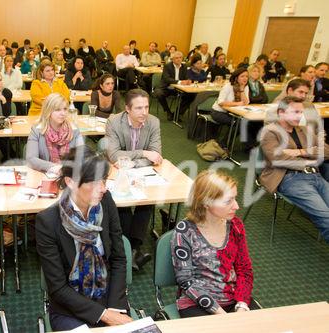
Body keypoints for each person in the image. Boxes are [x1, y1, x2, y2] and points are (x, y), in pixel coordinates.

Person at [35, 146, 132, 331]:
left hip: (109, 298)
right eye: (95, 183)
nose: (103, 188)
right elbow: (58, 288)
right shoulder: (48, 222)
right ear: (70, 181)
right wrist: (103, 315)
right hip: (70, 308)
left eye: (104, 180)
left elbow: (119, 258)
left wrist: (114, 307)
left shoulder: (106, 201)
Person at [171, 170, 256, 317]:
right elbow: (186, 281)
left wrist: (242, 305)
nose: (236, 206)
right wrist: (221, 314)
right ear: (206, 202)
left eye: (235, 199)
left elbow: (244, 270)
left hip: (234, 299)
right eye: (228, 201)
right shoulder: (185, 231)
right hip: (197, 302)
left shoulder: (236, 225)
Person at [259, 96, 329, 242]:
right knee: (325, 217)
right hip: (290, 178)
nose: (299, 116)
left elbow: (327, 151)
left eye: (300, 112)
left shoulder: (304, 130)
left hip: (315, 176)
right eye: (295, 112)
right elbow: (277, 159)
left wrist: (301, 152)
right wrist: (309, 158)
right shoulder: (270, 133)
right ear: (281, 113)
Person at [105, 89, 161, 270]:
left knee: (148, 198)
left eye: (146, 107)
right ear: (127, 109)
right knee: (123, 203)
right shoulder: (114, 121)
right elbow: (113, 154)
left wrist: (131, 162)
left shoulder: (153, 122)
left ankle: (133, 246)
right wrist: (144, 153)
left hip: (142, 173)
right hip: (117, 173)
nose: (144, 112)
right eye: (138, 108)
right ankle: (132, 250)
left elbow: (157, 155)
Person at [26, 93, 84, 173]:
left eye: (65, 109)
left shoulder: (74, 129)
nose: (63, 113)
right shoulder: (37, 130)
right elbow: (31, 159)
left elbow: (82, 156)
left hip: (69, 174)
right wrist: (56, 168)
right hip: (44, 174)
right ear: (48, 111)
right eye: (57, 110)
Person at [155, 51, 192, 121]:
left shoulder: (184, 67)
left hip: (179, 89)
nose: (179, 59)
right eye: (176, 58)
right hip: (167, 87)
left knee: (191, 95)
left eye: (180, 58)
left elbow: (186, 77)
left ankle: (178, 113)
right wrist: (180, 82)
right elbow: (167, 79)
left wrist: (188, 80)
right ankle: (168, 112)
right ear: (173, 59)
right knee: (158, 93)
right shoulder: (167, 66)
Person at [211, 67, 249, 132]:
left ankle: (226, 140)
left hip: (233, 112)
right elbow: (220, 102)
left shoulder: (245, 87)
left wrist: (242, 89)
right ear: (236, 78)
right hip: (219, 112)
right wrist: (237, 104)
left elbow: (246, 103)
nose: (245, 78)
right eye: (242, 76)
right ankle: (225, 141)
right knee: (239, 123)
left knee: (247, 122)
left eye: (246, 76)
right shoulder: (228, 86)